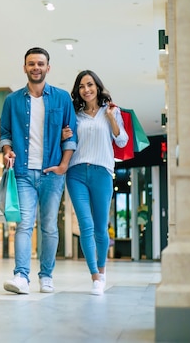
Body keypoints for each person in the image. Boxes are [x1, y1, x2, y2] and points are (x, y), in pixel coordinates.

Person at [0, 47, 77, 294]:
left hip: (52, 173)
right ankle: (21, 276)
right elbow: (6, 134)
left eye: (40, 64)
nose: (36, 68)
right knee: (23, 225)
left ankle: (46, 275)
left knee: (50, 226)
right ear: (24, 67)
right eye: (31, 64)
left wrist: (64, 165)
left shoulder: (62, 98)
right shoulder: (12, 100)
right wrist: (7, 150)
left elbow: (70, 135)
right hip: (22, 172)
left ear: (48, 68)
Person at [65, 69, 128, 295]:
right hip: (76, 173)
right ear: (78, 91)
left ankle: (102, 271)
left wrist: (111, 118)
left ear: (97, 87)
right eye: (82, 86)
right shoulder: (74, 114)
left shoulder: (111, 111)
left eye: (90, 85)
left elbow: (121, 141)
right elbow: (68, 141)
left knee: (101, 227)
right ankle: (94, 276)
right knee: (86, 225)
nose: (86, 90)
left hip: (102, 172)